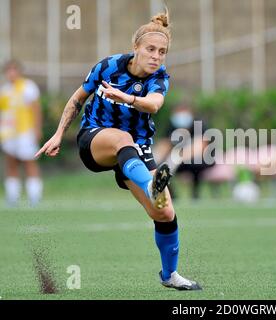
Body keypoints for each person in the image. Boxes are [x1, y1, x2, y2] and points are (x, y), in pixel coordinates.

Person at [35, 10, 201, 290]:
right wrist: (59, 133)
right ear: (135, 47)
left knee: (165, 213)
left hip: (136, 149)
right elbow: (78, 98)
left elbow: (154, 105)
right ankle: (151, 185)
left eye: (162, 52)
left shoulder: (159, 78)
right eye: (150, 49)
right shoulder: (107, 66)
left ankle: (170, 275)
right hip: (96, 139)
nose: (156, 56)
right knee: (122, 138)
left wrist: (126, 97)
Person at [0, 60, 43, 206]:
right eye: (8, 70)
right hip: (9, 133)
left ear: (19, 72)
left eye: (14, 70)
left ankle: (34, 196)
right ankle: (13, 197)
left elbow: (36, 109)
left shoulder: (28, 87)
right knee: (11, 163)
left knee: (29, 162)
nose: (11, 73)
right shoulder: (4, 90)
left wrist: (37, 129)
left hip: (26, 132)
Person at [154, 104, 215, 199]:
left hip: (201, 158)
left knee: (196, 164)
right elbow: (165, 144)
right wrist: (158, 157)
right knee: (163, 167)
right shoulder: (172, 126)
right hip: (178, 159)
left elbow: (201, 146)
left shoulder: (198, 124)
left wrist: (179, 156)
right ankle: (171, 195)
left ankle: (195, 194)